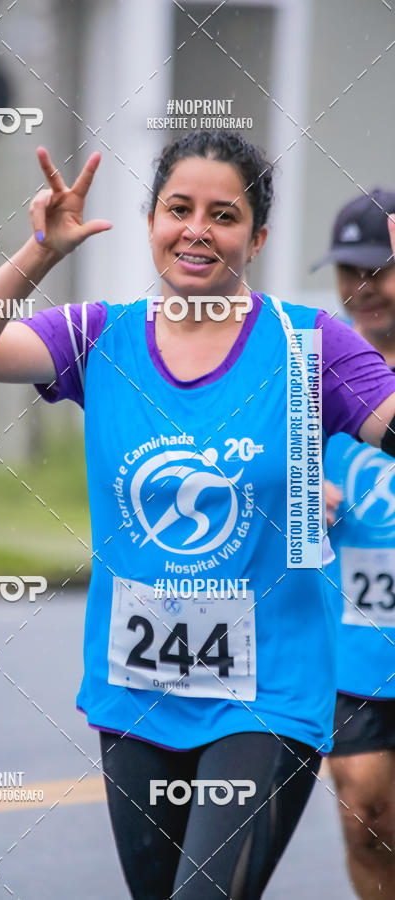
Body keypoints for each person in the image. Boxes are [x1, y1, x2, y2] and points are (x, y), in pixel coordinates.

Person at [0, 130, 395, 899]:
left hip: (267, 697)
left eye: (224, 215)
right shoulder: (98, 336)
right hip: (136, 695)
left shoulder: (312, 346)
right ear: (150, 222)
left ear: (259, 238)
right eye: (179, 209)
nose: (197, 230)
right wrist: (41, 252)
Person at [315, 189, 395, 900]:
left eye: (379, 269)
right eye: (348, 270)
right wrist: (297, 488)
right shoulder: (315, 365)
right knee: (365, 815)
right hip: (354, 637)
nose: (361, 287)